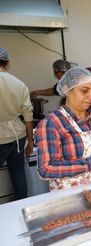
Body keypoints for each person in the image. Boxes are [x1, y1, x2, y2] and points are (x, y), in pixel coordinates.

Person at [0, 48, 33, 200]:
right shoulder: (19, 84)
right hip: (18, 137)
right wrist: (30, 142)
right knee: (18, 174)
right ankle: (20, 206)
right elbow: (28, 116)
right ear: (7, 63)